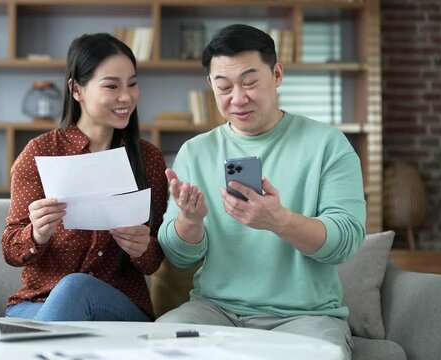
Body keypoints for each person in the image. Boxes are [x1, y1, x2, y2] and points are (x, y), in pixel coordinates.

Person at [156, 24, 366, 360]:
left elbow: (345, 243)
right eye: (223, 87)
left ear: (277, 74)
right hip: (215, 311)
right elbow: (179, 255)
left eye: (250, 83)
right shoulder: (196, 152)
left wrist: (279, 221)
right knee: (156, 343)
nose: (237, 98)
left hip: (305, 317)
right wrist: (189, 221)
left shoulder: (327, 145)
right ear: (210, 84)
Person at [2, 33, 167, 322]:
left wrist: (142, 248)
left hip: (117, 308)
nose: (126, 97)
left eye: (132, 84)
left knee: (76, 287)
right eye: (111, 86)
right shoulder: (41, 152)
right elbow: (11, 250)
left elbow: (154, 262)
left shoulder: (147, 158)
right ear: (77, 89)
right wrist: (37, 234)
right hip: (39, 304)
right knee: (69, 292)